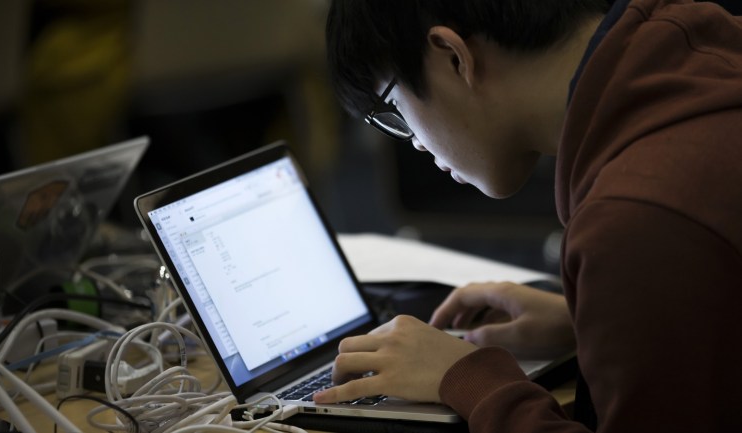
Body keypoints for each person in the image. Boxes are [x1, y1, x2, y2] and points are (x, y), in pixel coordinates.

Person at [313, 1, 742, 432]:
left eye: (394, 109)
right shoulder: (698, 49)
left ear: (452, 55)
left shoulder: (635, 223)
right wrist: (589, 324)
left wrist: (471, 380)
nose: (418, 145)